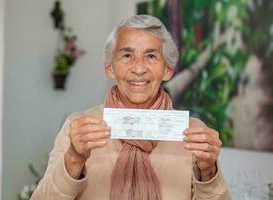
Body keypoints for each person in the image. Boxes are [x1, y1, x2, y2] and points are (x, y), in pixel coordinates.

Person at [31, 15, 230, 200]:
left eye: (151, 56)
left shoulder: (192, 133)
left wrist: (208, 170)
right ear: (110, 67)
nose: (139, 68)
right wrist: (74, 158)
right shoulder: (79, 127)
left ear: (168, 70)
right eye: (127, 56)